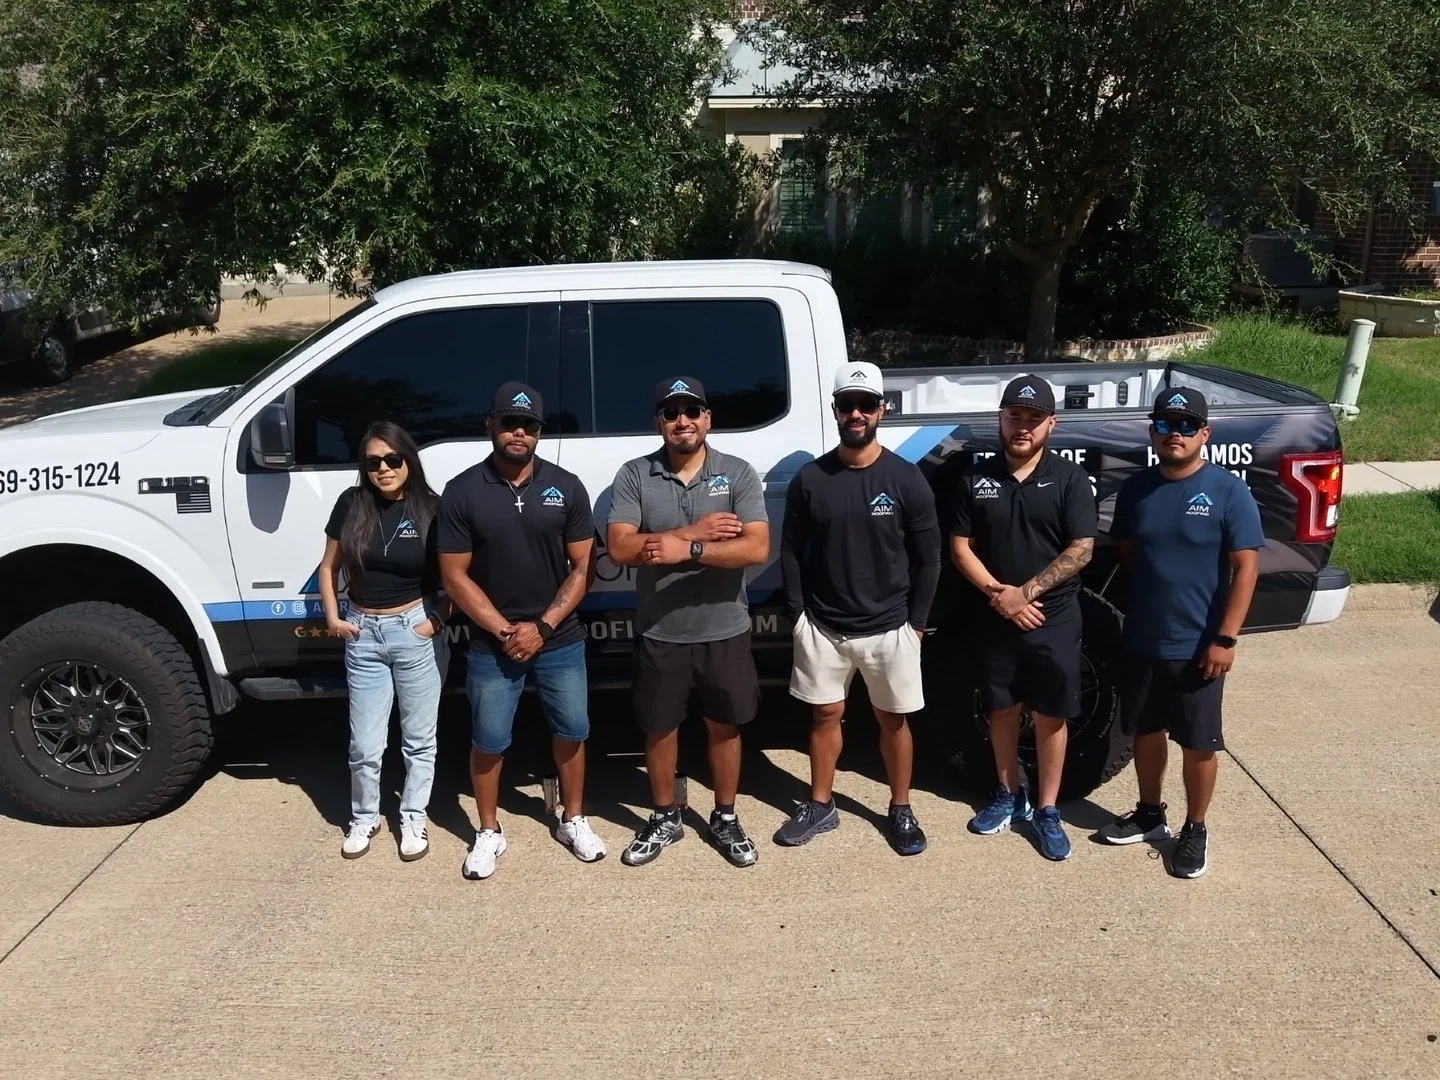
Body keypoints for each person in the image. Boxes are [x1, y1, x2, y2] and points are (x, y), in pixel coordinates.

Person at [436, 381, 603, 881]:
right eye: (509, 423)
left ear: (538, 432)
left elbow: (583, 567)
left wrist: (543, 626)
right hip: (494, 642)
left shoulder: (566, 485)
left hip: (560, 637)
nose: (518, 433)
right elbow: (454, 576)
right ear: (490, 425)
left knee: (572, 730)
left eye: (528, 425)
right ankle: (488, 830)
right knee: (489, 738)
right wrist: (508, 630)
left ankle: (572, 818)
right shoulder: (463, 491)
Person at [776, 361, 942, 856]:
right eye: (847, 404)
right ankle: (821, 804)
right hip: (824, 626)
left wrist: (917, 624)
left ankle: (901, 808)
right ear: (835, 410)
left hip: (891, 627)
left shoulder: (906, 478)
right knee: (825, 715)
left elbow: (929, 557)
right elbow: (789, 549)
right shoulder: (811, 478)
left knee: (893, 720)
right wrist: (798, 612)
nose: (856, 413)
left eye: (866, 405)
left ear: (881, 411)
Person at [1096, 387, 1262, 879]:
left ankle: (1195, 829)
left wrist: (1226, 638)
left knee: (1199, 743)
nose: (1175, 434)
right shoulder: (1137, 489)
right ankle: (1150, 814)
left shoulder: (1229, 491)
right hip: (1144, 638)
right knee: (1145, 732)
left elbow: (1247, 568)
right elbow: (1128, 551)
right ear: (1153, 432)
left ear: (1204, 435)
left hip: (1200, 646)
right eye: (1166, 424)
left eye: (1187, 425)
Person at [605, 376, 771, 868]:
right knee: (660, 729)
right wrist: (693, 533)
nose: (683, 421)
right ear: (659, 422)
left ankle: (724, 816)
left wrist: (687, 549)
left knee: (725, 727)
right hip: (661, 630)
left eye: (692, 412)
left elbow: (757, 547)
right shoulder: (635, 474)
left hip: (725, 627)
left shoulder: (737, 473)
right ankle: (664, 817)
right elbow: (619, 547)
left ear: (707, 419)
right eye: (672, 413)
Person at [950, 375, 1097, 862]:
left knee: (1052, 715)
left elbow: (1082, 549)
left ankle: (1049, 810)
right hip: (996, 617)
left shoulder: (1070, 479)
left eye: (1034, 419)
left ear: (1050, 424)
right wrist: (1000, 595)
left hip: (1052, 618)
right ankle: (1008, 795)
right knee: (1002, 710)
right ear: (1001, 418)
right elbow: (960, 547)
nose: (1023, 427)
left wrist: (1026, 593)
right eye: (1015, 416)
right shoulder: (977, 478)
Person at [319, 421, 452, 863]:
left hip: (413, 631)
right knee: (364, 745)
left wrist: (436, 619)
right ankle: (365, 816)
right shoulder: (352, 503)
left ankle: (413, 815)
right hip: (363, 634)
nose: (384, 469)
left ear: (408, 460)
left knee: (418, 740)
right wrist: (334, 617)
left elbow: (455, 574)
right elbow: (328, 566)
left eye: (392, 459)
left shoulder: (432, 508)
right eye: (373, 462)